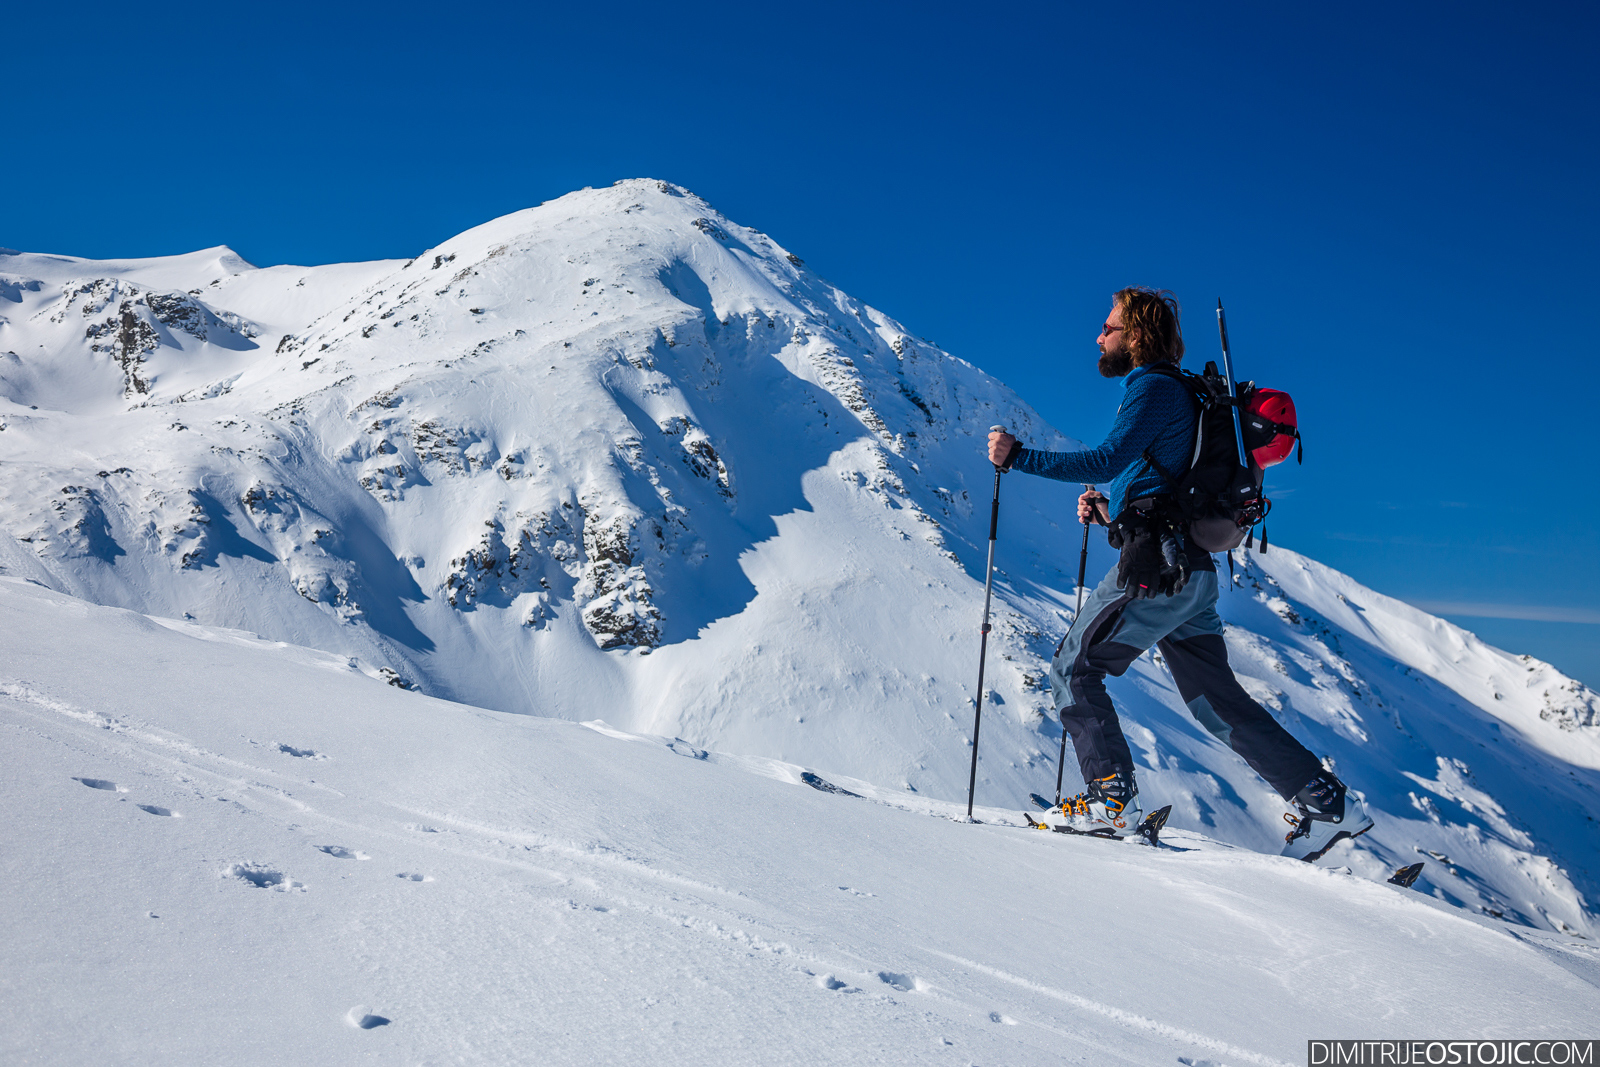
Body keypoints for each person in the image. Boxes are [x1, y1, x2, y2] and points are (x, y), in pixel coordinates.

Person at [988, 287, 1372, 862]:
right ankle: (1326, 805)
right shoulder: (1183, 394)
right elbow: (1164, 485)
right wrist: (1111, 511)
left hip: (1155, 572)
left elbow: (1105, 460)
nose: (1098, 337)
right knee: (1216, 701)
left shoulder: (1154, 387)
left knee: (1074, 666)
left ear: (1136, 334)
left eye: (1108, 327)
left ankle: (1110, 799)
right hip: (1190, 575)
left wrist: (1020, 457)